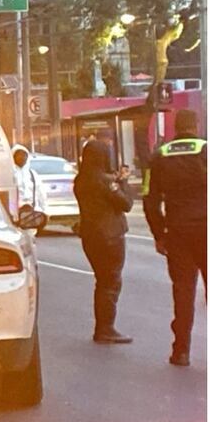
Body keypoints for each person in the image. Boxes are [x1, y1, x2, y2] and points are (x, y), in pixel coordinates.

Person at [143, 109, 207, 367]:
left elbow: (149, 199)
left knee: (183, 292)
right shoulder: (206, 150)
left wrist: (159, 234)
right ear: (196, 125)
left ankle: (181, 351)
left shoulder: (159, 156)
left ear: (175, 127)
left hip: (178, 233)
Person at [74, 139, 135, 344]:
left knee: (101, 281)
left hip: (90, 236)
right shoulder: (105, 181)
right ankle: (106, 328)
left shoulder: (81, 180)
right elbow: (126, 204)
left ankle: (102, 327)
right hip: (110, 236)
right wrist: (123, 181)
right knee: (111, 282)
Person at [12, 145, 47, 217]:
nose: (21, 157)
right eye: (18, 155)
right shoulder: (9, 174)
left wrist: (44, 210)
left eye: (24, 155)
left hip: (33, 212)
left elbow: (41, 193)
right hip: (15, 213)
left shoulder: (32, 174)